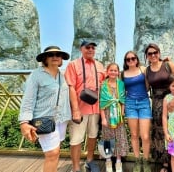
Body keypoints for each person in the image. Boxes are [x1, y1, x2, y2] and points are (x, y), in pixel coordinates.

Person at [18, 46, 71, 172]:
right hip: (44, 118)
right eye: (51, 55)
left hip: (61, 118)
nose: (55, 57)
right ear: (45, 58)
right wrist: (24, 122)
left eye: (58, 55)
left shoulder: (63, 75)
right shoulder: (36, 75)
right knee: (52, 153)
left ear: (61, 58)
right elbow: (28, 99)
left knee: (56, 151)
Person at [64, 40, 105, 172]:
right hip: (80, 109)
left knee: (93, 135)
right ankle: (76, 167)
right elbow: (71, 87)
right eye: (87, 47)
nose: (90, 50)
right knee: (76, 139)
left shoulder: (99, 65)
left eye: (93, 48)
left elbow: (106, 84)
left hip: (96, 108)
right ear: (81, 49)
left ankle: (89, 160)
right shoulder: (73, 65)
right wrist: (75, 110)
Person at [145, 43, 174, 172]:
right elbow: (146, 88)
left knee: (173, 131)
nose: (153, 55)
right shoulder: (147, 70)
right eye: (150, 53)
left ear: (159, 53)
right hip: (157, 103)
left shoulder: (168, 65)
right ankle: (167, 163)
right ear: (146, 56)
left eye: (155, 52)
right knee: (161, 133)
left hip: (170, 100)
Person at [122, 51, 151, 172]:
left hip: (144, 102)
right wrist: (122, 107)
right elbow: (121, 90)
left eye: (133, 58)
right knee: (134, 135)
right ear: (125, 61)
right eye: (128, 59)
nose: (131, 61)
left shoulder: (143, 69)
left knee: (144, 136)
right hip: (130, 104)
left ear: (137, 59)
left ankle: (146, 160)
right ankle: (137, 160)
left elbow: (151, 80)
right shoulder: (123, 74)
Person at [99, 63, 129, 172]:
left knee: (119, 137)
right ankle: (108, 160)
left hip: (118, 114)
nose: (113, 72)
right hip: (107, 113)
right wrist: (103, 118)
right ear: (107, 72)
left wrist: (122, 113)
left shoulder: (121, 84)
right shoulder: (103, 85)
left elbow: (122, 100)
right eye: (111, 70)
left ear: (118, 72)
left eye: (115, 70)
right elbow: (101, 103)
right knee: (107, 137)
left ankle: (118, 161)